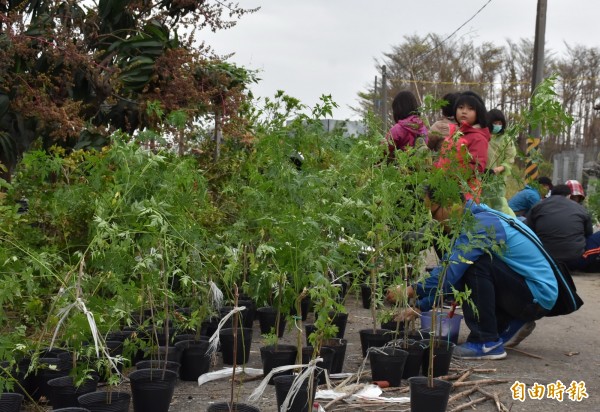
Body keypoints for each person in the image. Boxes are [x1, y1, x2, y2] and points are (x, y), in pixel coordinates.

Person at [388, 187, 558, 360]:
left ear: (451, 205)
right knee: (468, 265)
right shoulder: (476, 218)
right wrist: (420, 307)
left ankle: (485, 342)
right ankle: (510, 323)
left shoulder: (480, 224)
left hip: (535, 296)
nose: (434, 220)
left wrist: (410, 290)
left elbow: (449, 275)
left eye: (434, 212)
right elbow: (452, 278)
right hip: (529, 292)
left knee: (474, 265)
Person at [434, 91, 490, 200]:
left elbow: (477, 167)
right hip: (447, 188)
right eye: (460, 107)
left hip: (466, 194)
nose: (464, 111)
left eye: (470, 109)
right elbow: (444, 160)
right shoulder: (453, 134)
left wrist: (452, 175)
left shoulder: (478, 138)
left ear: (478, 113)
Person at [525, 184, 593, 269]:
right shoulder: (580, 208)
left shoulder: (537, 206)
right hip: (575, 260)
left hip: (546, 259)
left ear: (551, 194)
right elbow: (589, 234)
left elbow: (528, 231)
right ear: (569, 195)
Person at [481, 109, 516, 217]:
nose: (497, 125)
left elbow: (510, 158)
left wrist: (499, 169)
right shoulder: (482, 136)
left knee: (499, 205)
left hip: (498, 179)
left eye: (500, 123)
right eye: (495, 123)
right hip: (481, 177)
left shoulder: (506, 139)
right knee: (482, 204)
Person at [384, 90, 427, 162]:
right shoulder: (423, 127)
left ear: (397, 109)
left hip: (400, 169)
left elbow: (384, 150)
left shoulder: (397, 129)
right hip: (421, 169)